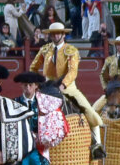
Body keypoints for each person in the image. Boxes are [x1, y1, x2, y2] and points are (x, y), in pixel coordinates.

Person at [29, 22, 105, 154]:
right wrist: (38, 83)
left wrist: (63, 84)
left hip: (68, 87)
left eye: (58, 33)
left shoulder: (70, 50)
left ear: (63, 34)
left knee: (88, 109)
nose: (55, 35)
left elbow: (72, 71)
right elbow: (33, 67)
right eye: (53, 33)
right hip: (47, 87)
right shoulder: (45, 49)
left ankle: (97, 145)